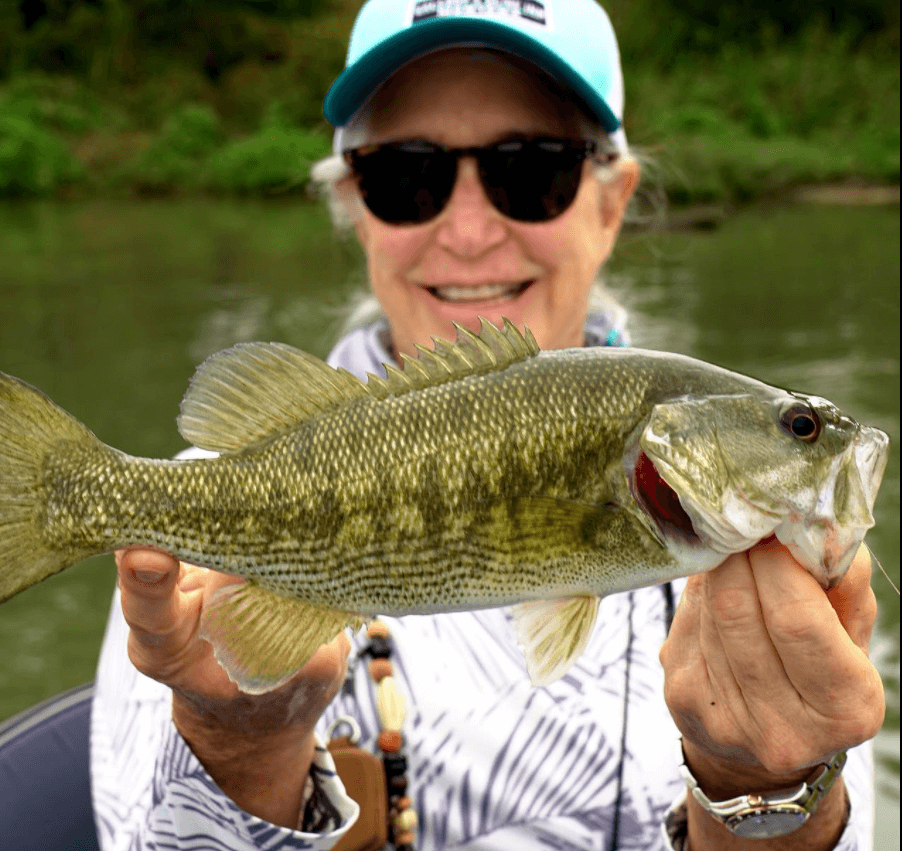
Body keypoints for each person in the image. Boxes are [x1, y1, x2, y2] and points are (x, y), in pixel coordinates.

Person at [90, 1, 885, 849]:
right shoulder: (201, 528)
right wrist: (242, 740)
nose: (469, 233)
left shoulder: (763, 558)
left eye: (531, 170)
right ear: (353, 204)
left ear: (611, 202)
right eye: (407, 177)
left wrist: (764, 785)